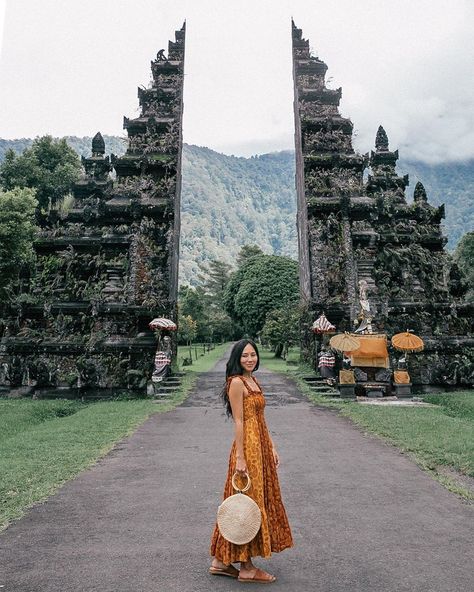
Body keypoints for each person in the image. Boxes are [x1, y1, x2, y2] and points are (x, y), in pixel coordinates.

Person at [209, 339, 293, 583]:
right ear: (237, 358)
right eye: (245, 356)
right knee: (249, 503)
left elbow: (259, 418)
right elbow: (239, 421)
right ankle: (246, 567)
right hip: (248, 450)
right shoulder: (236, 382)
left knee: (251, 500)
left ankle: (221, 561)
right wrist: (240, 458)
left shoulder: (252, 380)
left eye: (253, 355)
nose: (249, 359)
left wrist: (272, 445)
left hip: (262, 447)